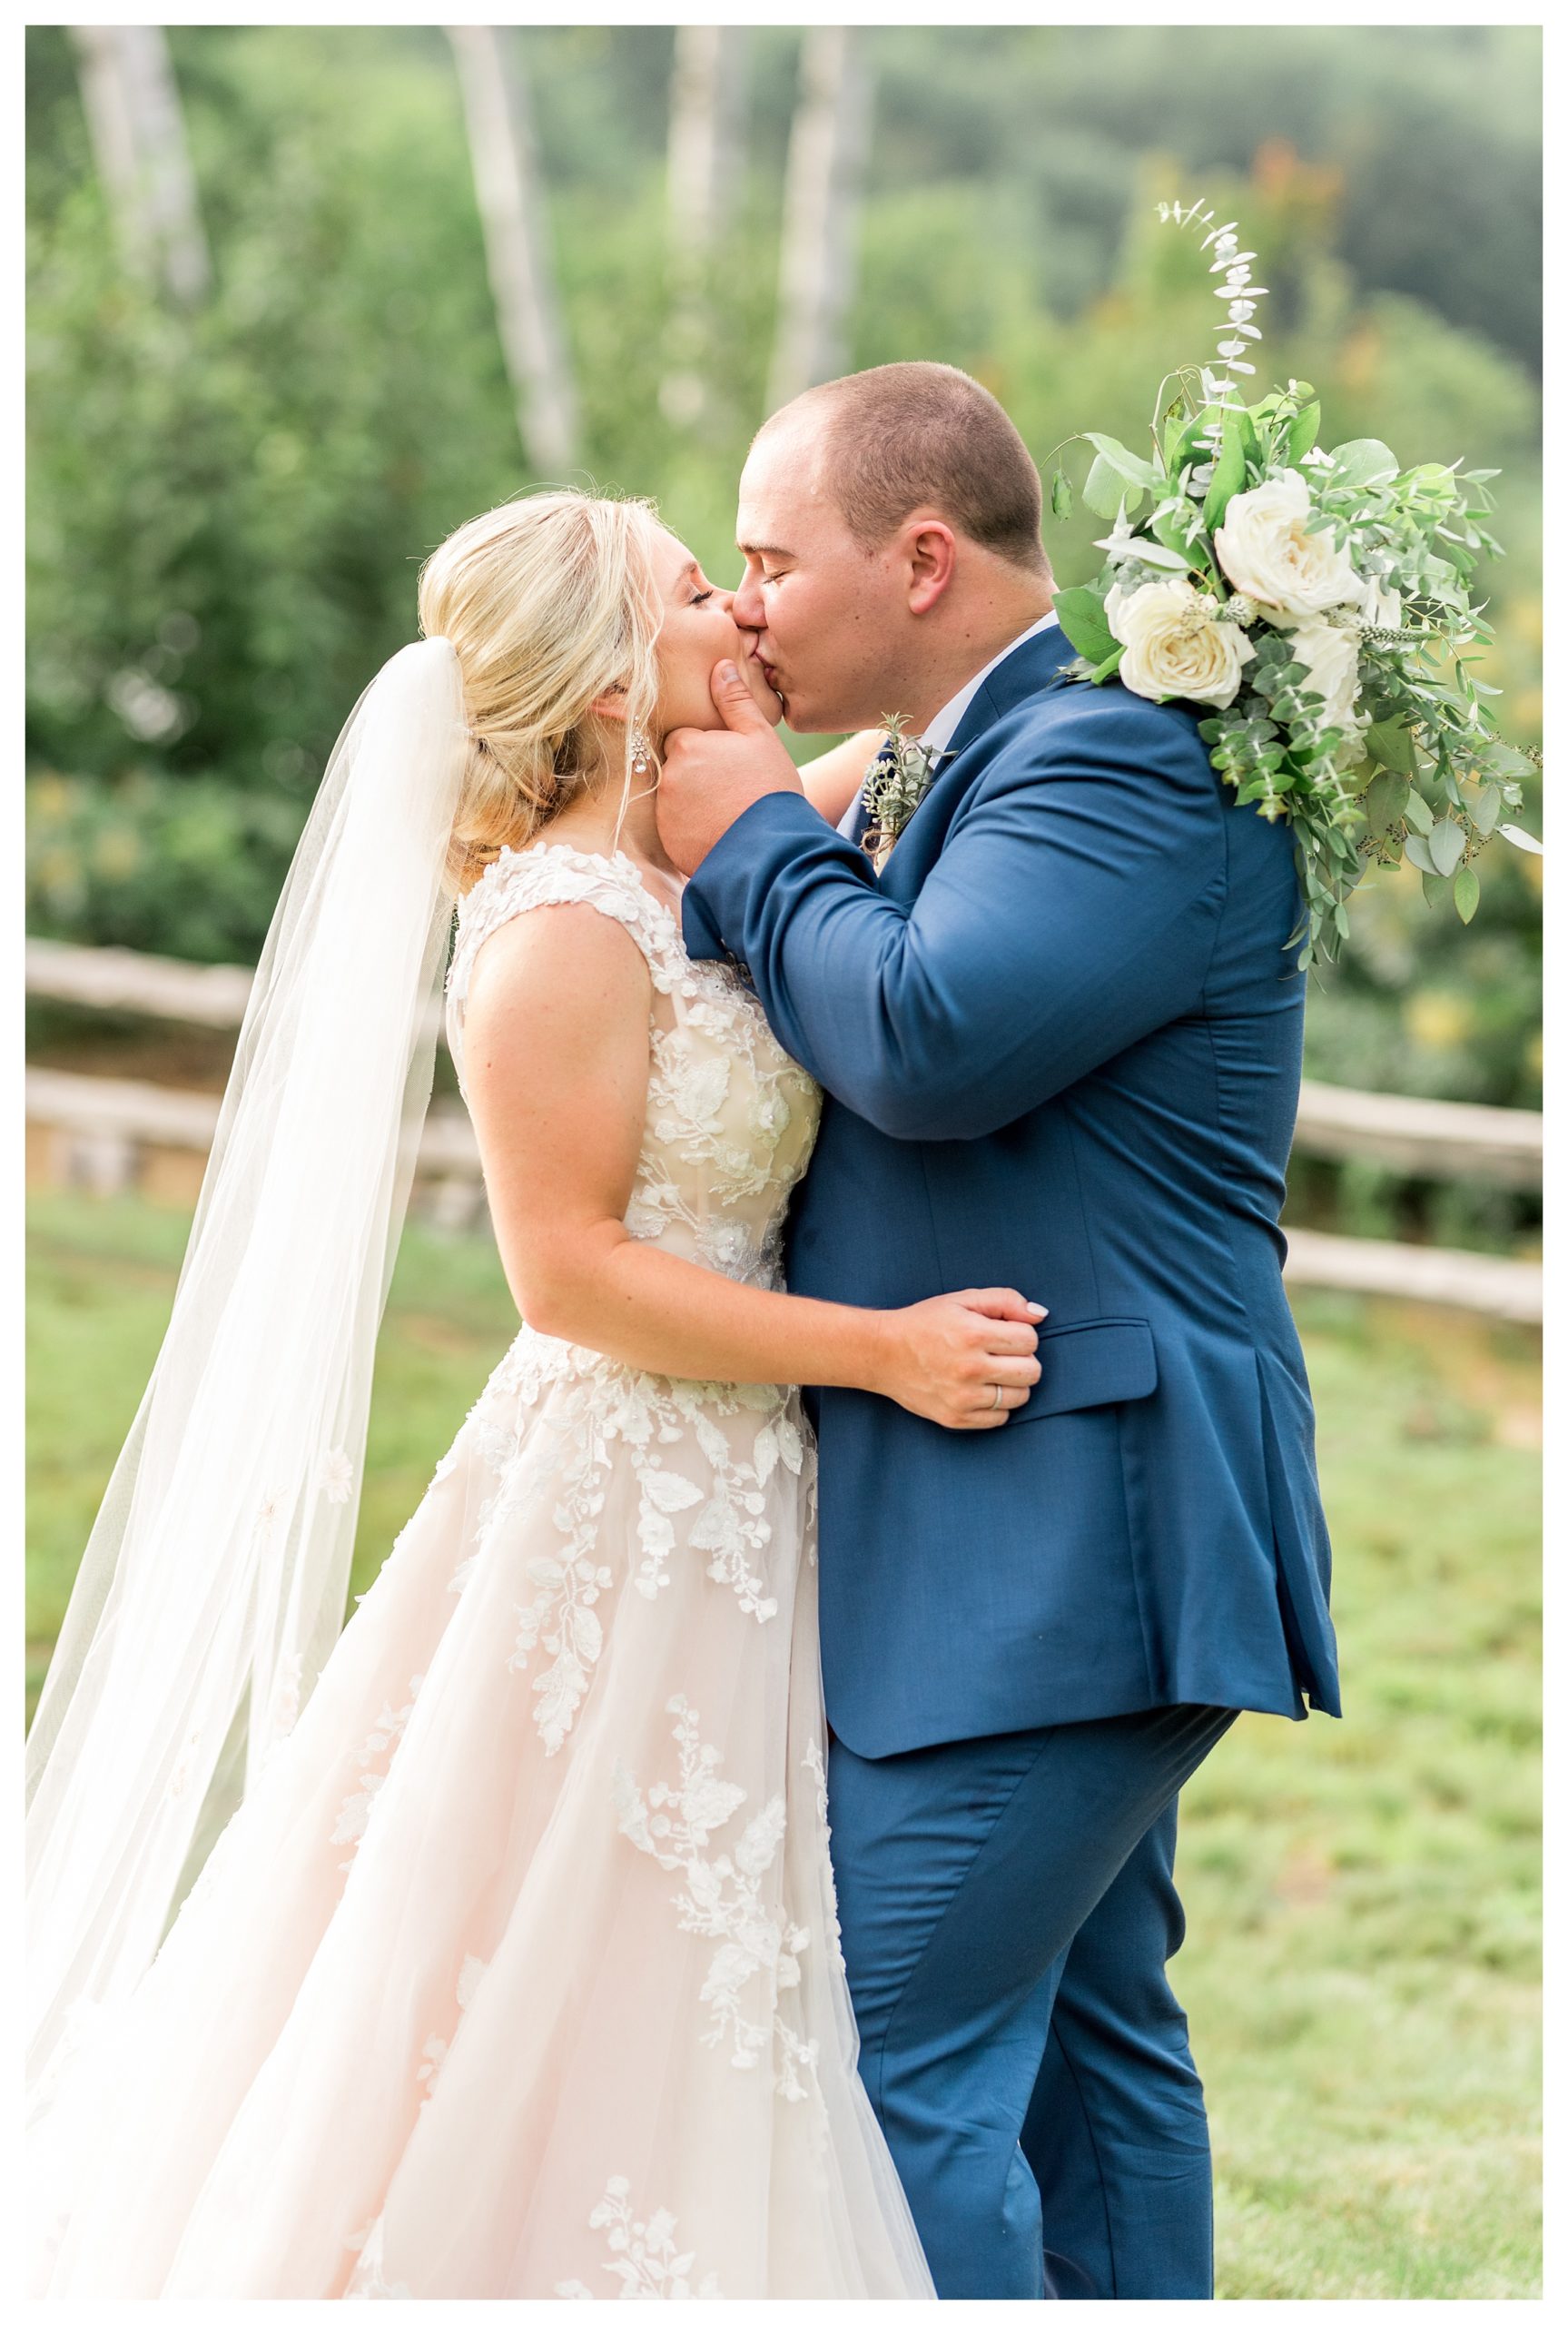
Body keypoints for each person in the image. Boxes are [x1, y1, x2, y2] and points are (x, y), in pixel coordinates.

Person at [25, 488, 1054, 2298]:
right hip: (626, 1496)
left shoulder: (692, 860)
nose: (735, 608)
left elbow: (918, 764)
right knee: (536, 1936)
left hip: (748, 1487)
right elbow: (567, 1276)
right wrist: (885, 1349)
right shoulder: (557, 927)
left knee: (690, 1948)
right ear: (599, 675)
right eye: (691, 585)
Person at [656, 360, 1342, 2301]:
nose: (753, 600)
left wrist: (737, 832)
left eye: (777, 558)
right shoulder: (921, 769)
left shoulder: (1112, 758)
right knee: (1087, 2065)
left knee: (884, 2068)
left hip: (1071, 1531)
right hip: (1008, 1540)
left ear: (927, 557)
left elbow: (928, 1042)